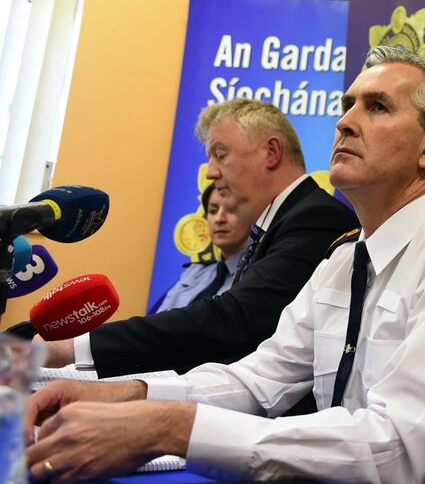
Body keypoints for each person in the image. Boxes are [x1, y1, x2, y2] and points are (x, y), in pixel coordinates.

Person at [25, 46, 425, 483]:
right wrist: (127, 393)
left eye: (376, 107)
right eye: (348, 105)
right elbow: (258, 381)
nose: (345, 122)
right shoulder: (343, 258)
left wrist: (168, 426)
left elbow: (396, 450)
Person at [41, 98, 359, 376]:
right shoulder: (284, 220)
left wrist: (77, 348)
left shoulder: (315, 218)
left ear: (271, 152)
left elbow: (234, 322)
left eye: (220, 154)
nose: (210, 172)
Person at [148, 183, 250, 313]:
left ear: (251, 214)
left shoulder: (255, 276)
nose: (219, 219)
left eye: (230, 210)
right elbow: (158, 319)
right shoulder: (195, 271)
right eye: (213, 211)